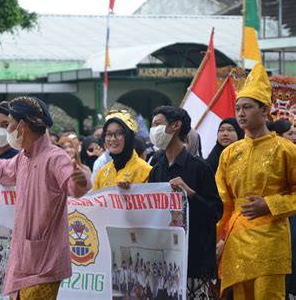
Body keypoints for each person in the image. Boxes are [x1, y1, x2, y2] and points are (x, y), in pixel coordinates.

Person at [0, 96, 89, 299]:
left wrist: (81, 181)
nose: (8, 130)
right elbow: (1, 169)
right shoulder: (23, 157)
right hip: (24, 259)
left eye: (10, 124)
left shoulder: (55, 157)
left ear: (23, 126)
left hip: (45, 262)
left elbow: (74, 186)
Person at [215, 63, 296, 300]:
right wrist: (220, 239)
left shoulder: (286, 150)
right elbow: (224, 203)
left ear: (265, 110)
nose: (240, 113)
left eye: (247, 107)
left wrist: (269, 204)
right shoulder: (229, 153)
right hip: (238, 240)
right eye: (238, 108)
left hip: (271, 241)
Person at [147, 105, 222, 300]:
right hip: (165, 262)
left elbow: (215, 212)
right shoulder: (156, 170)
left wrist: (190, 194)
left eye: (157, 124)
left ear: (176, 126)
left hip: (194, 262)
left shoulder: (200, 168)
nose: (153, 130)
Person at [93, 110, 152, 190]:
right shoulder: (102, 173)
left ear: (128, 137)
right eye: (109, 134)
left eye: (119, 133)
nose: (113, 139)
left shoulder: (146, 171)